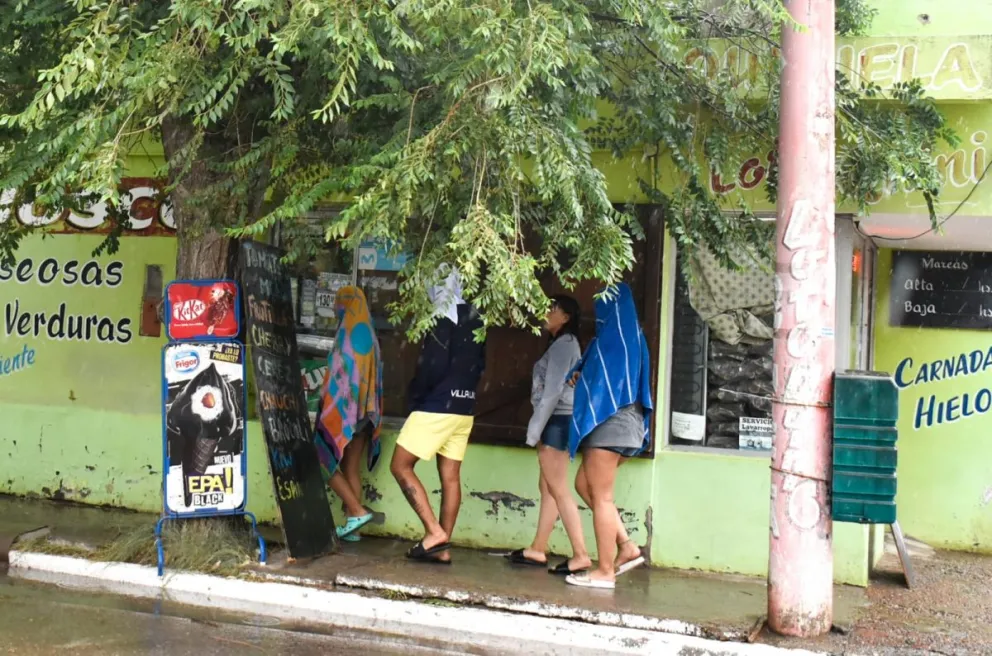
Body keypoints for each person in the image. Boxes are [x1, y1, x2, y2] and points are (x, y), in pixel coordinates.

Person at [390, 266, 486, 564]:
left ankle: (433, 532)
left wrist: (415, 397)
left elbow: (431, 367)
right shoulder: (476, 318)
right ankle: (442, 547)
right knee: (451, 478)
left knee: (400, 466)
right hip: (464, 408)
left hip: (436, 405)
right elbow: (480, 366)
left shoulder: (440, 318)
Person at [564, 282, 653, 589]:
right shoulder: (635, 337)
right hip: (631, 425)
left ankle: (604, 571)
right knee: (582, 484)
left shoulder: (608, 341)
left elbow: (599, 388)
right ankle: (626, 546)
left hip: (609, 423)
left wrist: (579, 374)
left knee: (602, 498)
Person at [504, 295, 590, 575]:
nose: (544, 312)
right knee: (549, 487)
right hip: (559, 420)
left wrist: (534, 430)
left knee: (559, 488)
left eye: (551, 309)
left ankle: (581, 554)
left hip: (557, 420)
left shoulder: (565, 345)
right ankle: (537, 549)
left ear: (565, 317)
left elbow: (552, 391)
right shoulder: (562, 344)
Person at [314, 286, 382, 542]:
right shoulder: (369, 334)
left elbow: (340, 378)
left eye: (338, 302)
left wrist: (327, 407)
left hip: (347, 413)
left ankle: (356, 510)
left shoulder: (348, 335)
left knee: (323, 460)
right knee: (350, 468)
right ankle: (354, 526)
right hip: (366, 413)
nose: (335, 308)